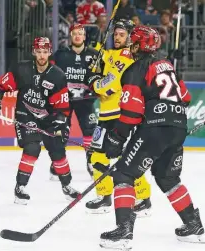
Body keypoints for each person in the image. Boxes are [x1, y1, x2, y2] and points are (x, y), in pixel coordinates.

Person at [99, 25, 204, 249]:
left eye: (132, 42)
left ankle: (123, 232)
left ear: (137, 45)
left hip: (155, 128)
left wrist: (116, 140)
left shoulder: (135, 69)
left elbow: (130, 112)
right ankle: (194, 226)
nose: (130, 46)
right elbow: (184, 97)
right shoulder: (168, 66)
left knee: (123, 174)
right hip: (178, 127)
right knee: (168, 178)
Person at [0, 37, 80, 205]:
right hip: (25, 114)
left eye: (45, 52)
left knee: (57, 149)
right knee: (32, 148)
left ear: (50, 52)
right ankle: (20, 188)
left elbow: (62, 107)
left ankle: (67, 186)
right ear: (34, 52)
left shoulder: (57, 76)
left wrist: (59, 123)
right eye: (39, 52)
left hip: (48, 118)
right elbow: (0, 86)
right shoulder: (22, 69)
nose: (42, 56)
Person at [84, 19, 153, 216]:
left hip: (120, 115)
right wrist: (94, 61)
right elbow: (99, 62)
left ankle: (143, 198)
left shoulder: (127, 57)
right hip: (105, 115)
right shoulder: (111, 53)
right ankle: (104, 195)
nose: (117, 37)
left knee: (123, 159)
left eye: (122, 34)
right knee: (96, 155)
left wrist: (94, 81)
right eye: (115, 34)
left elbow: (106, 85)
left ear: (131, 38)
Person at [50, 23, 98, 180]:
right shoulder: (60, 54)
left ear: (85, 36)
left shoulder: (94, 55)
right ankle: (58, 162)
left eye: (81, 33)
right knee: (62, 129)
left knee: (90, 130)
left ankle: (91, 161)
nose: (78, 36)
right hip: (66, 99)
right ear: (71, 36)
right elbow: (51, 74)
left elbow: (101, 76)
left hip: (86, 99)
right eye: (75, 33)